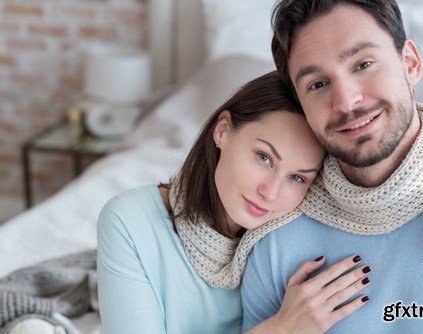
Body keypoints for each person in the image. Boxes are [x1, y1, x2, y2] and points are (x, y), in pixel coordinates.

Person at [241, 1, 423, 333]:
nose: (347, 103)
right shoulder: (275, 235)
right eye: (318, 85)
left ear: (410, 63)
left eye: (363, 64)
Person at [97, 71, 373, 334]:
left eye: (297, 178)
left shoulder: (290, 239)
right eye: (264, 158)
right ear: (223, 130)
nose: (271, 192)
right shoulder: (130, 221)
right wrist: (283, 327)